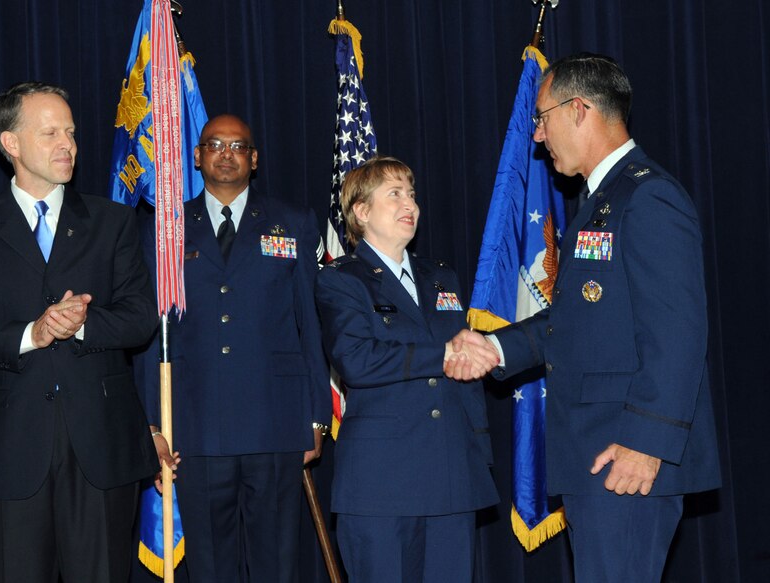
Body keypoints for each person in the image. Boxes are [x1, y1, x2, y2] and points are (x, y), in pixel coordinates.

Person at [465, 53, 721, 582]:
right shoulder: (603, 199)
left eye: (542, 117)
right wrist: (497, 348)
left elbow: (678, 332)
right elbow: (579, 319)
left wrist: (646, 444)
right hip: (598, 454)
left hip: (626, 456)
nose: (537, 135)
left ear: (578, 109)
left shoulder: (648, 196)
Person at [0, 82, 160, 583]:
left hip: (102, 451)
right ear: (10, 143)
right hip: (9, 453)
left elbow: (142, 318)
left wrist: (81, 326)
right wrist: (30, 333)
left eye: (71, 132)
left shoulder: (111, 222)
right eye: (50, 132)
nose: (67, 145)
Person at [142, 114, 330, 583]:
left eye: (237, 145)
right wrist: (151, 422)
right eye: (215, 144)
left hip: (276, 422)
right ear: (198, 156)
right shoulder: (166, 229)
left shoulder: (294, 222)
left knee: (276, 565)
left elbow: (311, 322)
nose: (226, 153)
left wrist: (315, 416)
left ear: (254, 158)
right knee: (209, 567)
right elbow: (150, 332)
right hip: (196, 423)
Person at [315, 156, 500, 582]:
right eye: (394, 194)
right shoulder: (342, 279)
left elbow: (468, 379)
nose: (410, 204)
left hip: (452, 474)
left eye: (412, 194)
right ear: (361, 212)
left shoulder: (442, 277)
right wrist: (443, 354)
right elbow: (356, 360)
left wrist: (479, 456)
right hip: (382, 482)